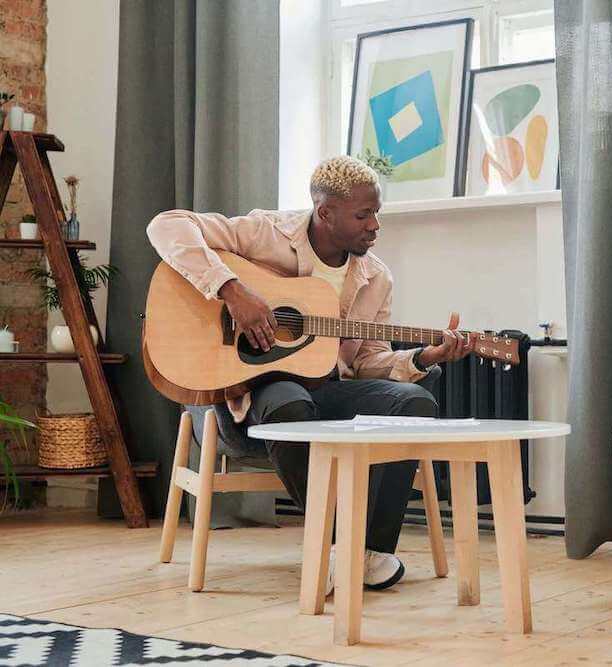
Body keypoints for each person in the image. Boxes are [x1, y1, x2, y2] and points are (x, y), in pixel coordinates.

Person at [148, 155, 478, 592]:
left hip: (328, 391)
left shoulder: (375, 277)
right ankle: (334, 543)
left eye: (376, 212)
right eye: (364, 215)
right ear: (325, 213)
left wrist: (425, 357)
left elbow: (367, 363)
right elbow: (166, 225)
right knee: (289, 400)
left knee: (414, 402)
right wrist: (233, 291)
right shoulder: (268, 232)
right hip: (253, 401)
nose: (375, 225)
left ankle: (368, 551)